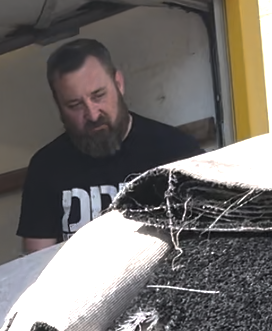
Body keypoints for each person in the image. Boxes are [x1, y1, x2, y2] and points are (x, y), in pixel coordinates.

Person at [18, 37, 201, 252]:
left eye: (98, 95)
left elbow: (204, 241)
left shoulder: (176, 151)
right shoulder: (46, 167)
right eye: (75, 105)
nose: (92, 114)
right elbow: (36, 264)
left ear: (119, 84)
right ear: (58, 105)